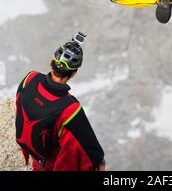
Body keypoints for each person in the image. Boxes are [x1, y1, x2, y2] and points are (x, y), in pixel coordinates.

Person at [15, 33, 106, 171]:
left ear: (52, 62)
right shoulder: (70, 109)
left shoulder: (30, 78)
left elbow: (19, 107)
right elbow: (89, 152)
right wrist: (99, 162)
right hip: (49, 164)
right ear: (74, 74)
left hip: (36, 156)